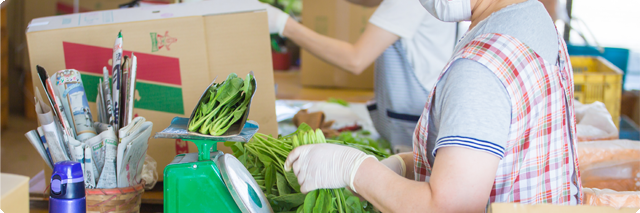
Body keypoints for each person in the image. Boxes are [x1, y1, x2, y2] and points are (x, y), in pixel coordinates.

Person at [283, 0, 582, 211]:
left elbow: (450, 208)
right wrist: (404, 165)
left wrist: (355, 170)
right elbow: (497, 156)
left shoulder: (478, 69)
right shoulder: (535, 21)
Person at [264, 0, 460, 153]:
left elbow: (355, 59)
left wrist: (284, 25)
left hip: (413, 127)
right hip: (411, 116)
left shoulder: (408, 2)